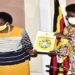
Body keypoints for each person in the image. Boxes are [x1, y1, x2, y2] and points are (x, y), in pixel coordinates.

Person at [49, 4, 75, 75]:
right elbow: (68, 47)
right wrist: (57, 52)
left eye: (71, 16)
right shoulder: (68, 29)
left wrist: (65, 36)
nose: (68, 18)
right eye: (68, 16)